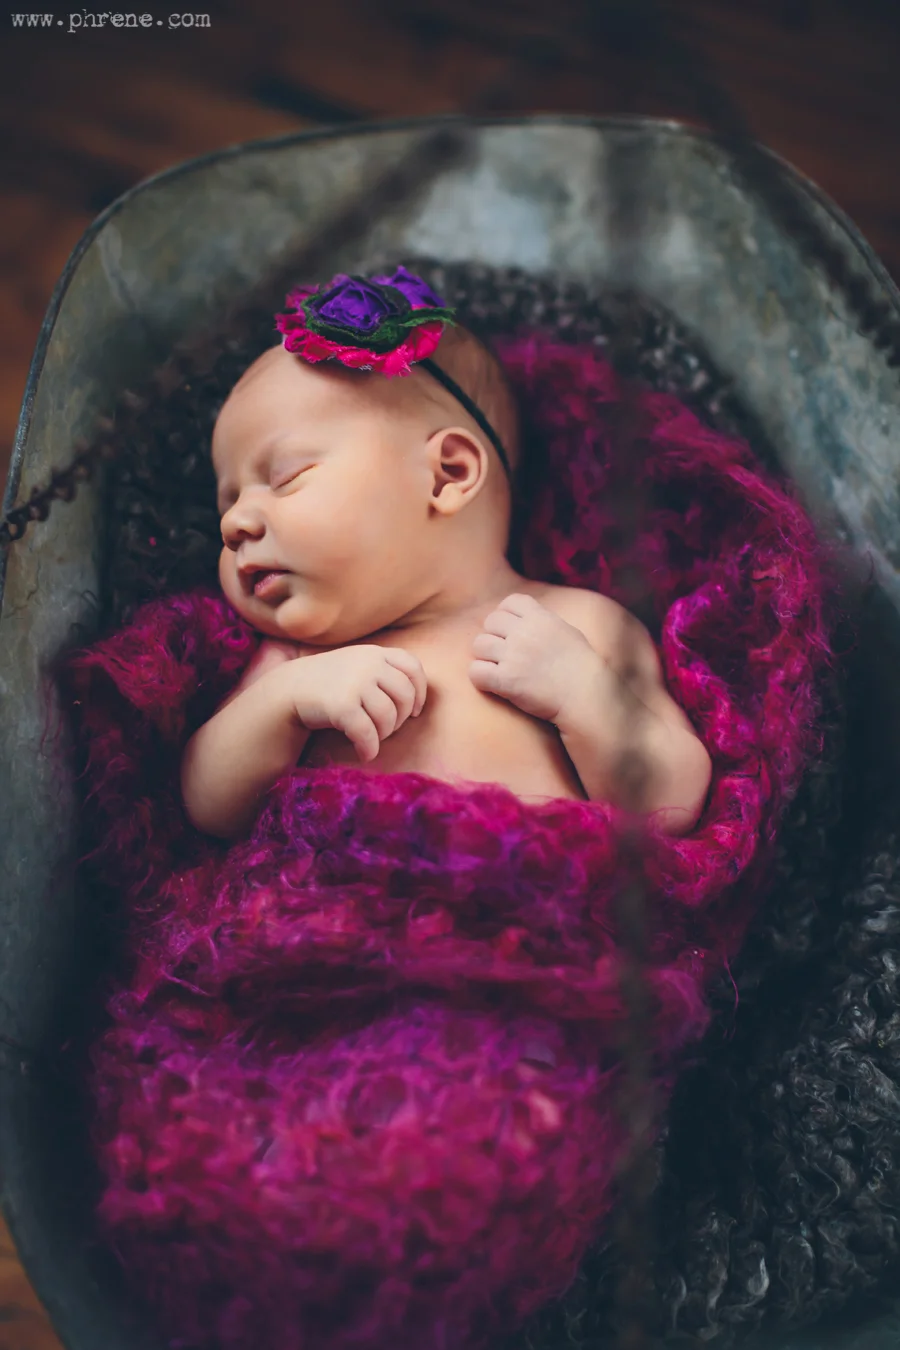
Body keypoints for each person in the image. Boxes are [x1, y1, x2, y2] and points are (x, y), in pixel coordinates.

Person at [180, 265, 712, 841]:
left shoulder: (577, 625)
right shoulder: (295, 662)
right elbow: (208, 807)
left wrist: (584, 694)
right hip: (327, 915)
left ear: (447, 475)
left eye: (285, 477)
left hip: (535, 913)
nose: (234, 523)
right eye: (226, 505)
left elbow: (676, 801)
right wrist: (285, 704)